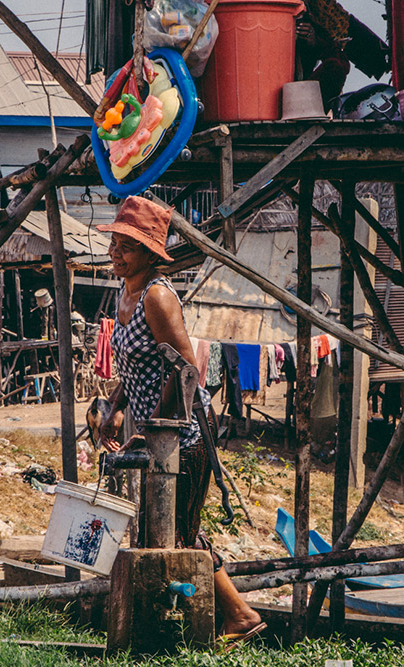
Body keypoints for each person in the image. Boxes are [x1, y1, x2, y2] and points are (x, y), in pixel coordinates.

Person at [97, 196, 265, 643]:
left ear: (151, 254)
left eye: (126, 246)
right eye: (114, 242)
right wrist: (113, 407)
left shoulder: (156, 296)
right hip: (156, 432)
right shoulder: (125, 290)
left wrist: (152, 431)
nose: (115, 251)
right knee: (168, 529)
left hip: (183, 435)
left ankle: (240, 616)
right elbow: (135, 365)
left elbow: (185, 369)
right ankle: (190, 617)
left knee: (181, 533)